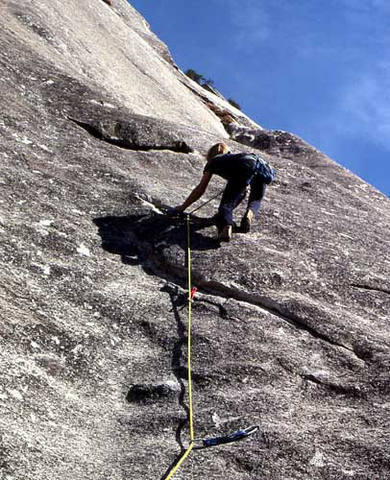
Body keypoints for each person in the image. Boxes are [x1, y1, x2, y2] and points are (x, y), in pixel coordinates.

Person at [174, 142, 269, 242]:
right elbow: (241, 192)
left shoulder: (214, 160)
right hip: (262, 167)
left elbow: (201, 188)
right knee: (256, 199)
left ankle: (227, 225)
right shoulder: (233, 157)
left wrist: (182, 207)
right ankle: (249, 214)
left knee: (226, 204)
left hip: (245, 166)